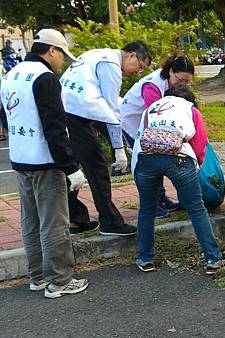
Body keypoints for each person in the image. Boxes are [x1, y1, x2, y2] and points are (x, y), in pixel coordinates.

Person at [0, 29, 89, 298]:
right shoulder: (45, 78)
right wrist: (71, 167)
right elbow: (55, 127)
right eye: (62, 55)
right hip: (46, 162)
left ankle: (37, 277)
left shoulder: (11, 75)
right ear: (52, 50)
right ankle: (60, 281)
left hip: (20, 159)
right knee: (54, 223)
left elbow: (6, 118)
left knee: (30, 220)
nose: (62, 62)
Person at [60, 41, 152, 236]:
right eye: (140, 67)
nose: (138, 72)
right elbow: (111, 112)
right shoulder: (111, 65)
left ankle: (75, 219)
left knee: (71, 166)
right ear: (132, 56)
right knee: (97, 167)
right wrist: (119, 149)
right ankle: (110, 222)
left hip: (65, 109)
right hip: (77, 115)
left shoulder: (97, 52)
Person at [131, 85, 223, 274]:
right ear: (189, 98)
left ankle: (145, 258)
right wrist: (195, 167)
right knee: (196, 208)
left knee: (147, 209)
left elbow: (139, 136)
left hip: (146, 158)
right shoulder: (190, 109)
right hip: (179, 158)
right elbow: (199, 144)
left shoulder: (151, 108)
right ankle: (213, 258)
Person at [120, 55, 195, 218]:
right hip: (134, 123)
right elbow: (157, 118)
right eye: (180, 79)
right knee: (149, 162)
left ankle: (162, 199)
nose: (183, 84)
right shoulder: (152, 86)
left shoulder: (170, 85)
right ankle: (153, 205)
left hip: (148, 125)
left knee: (157, 158)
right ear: (170, 72)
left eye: (187, 82)